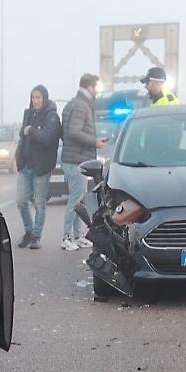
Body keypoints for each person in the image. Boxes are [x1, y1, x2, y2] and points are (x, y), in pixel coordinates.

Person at [59, 73, 107, 251]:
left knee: (79, 201)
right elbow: (74, 132)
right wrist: (94, 142)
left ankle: (77, 236)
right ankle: (67, 237)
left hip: (76, 158)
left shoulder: (76, 103)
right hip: (76, 159)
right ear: (90, 87)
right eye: (96, 87)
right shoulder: (81, 106)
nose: (97, 91)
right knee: (75, 200)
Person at [14, 84, 62, 249]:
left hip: (41, 167)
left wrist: (31, 131)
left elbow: (49, 138)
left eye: (38, 97)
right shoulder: (28, 114)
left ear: (44, 98)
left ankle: (36, 236)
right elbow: (22, 134)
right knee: (20, 201)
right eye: (33, 97)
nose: (35, 101)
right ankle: (28, 230)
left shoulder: (52, 116)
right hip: (25, 165)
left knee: (39, 203)